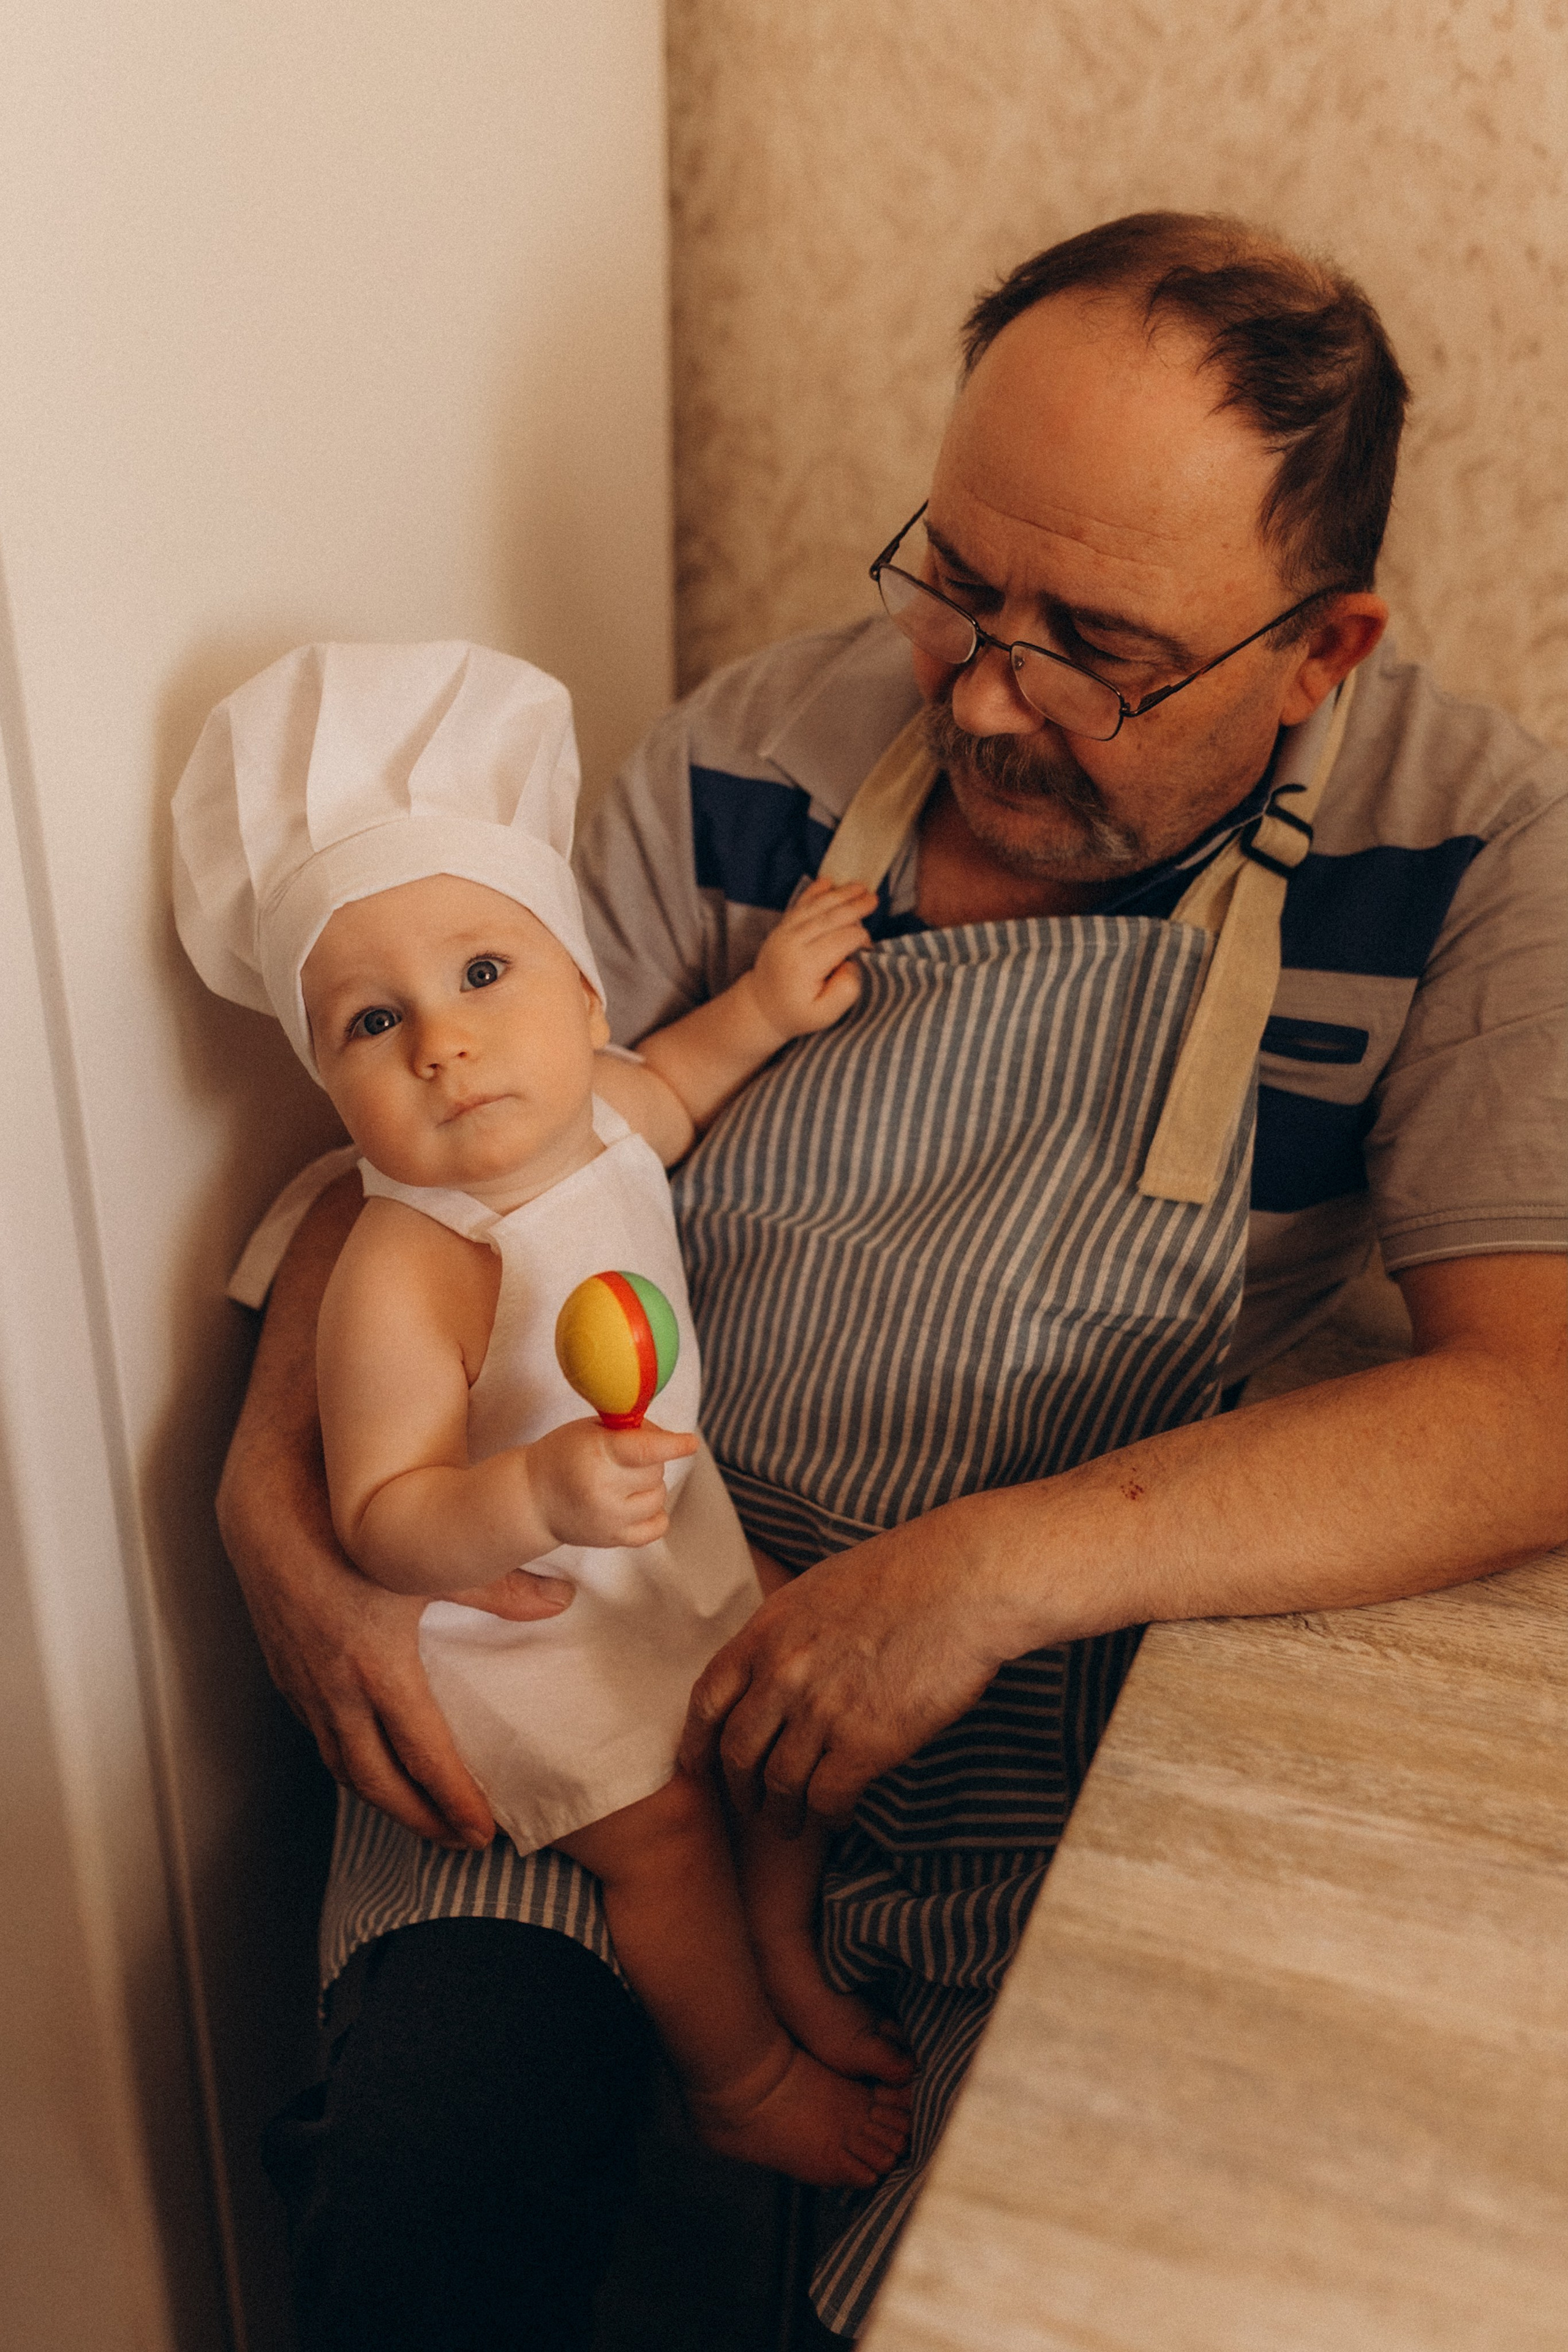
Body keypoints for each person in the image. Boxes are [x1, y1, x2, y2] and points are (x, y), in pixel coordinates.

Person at [217, 214, 1566, 2346]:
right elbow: (444, 1148)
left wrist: (984, 1576)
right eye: (958, 579)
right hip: (591, 1613)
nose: (988, 689)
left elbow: (1529, 1403)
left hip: (1035, 1702)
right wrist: (278, 1514)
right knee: (435, 2190)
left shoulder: (1476, 852)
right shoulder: (760, 753)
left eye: (1098, 644)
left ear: (1325, 649)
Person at [174, 642, 911, 2193]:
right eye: (369, 1024)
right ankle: (739, 2071)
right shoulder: (409, 1262)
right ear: (326, 1085)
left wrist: (768, 1004)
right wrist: (538, 1495)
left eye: (480, 974)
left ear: (584, 996)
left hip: (651, 1544)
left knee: (782, 1673)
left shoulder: (599, 1121)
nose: (438, 1040)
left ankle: (786, 1937)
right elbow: (385, 1519)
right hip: (514, 1625)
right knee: (653, 1840)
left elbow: (686, 1079)